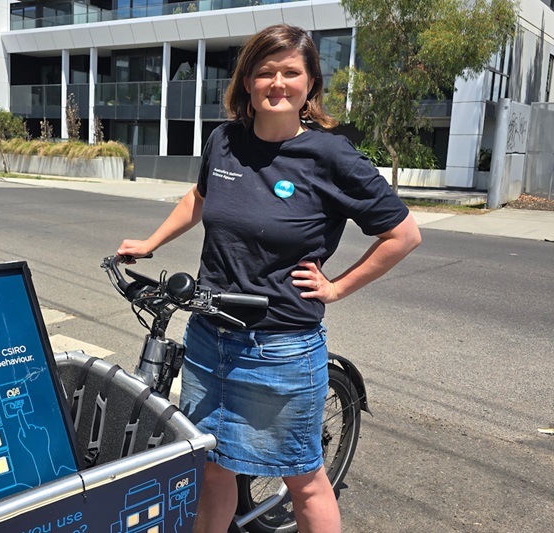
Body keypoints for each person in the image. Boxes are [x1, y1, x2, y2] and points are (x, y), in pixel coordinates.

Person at [117, 24, 421, 532]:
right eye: (265, 72)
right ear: (248, 83)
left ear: (309, 84)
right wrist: (151, 243)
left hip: (278, 347)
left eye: (290, 72)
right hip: (208, 337)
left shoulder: (330, 155)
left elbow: (403, 234)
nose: (277, 83)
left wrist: (336, 287)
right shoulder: (225, 140)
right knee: (211, 465)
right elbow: (201, 197)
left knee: (303, 479)